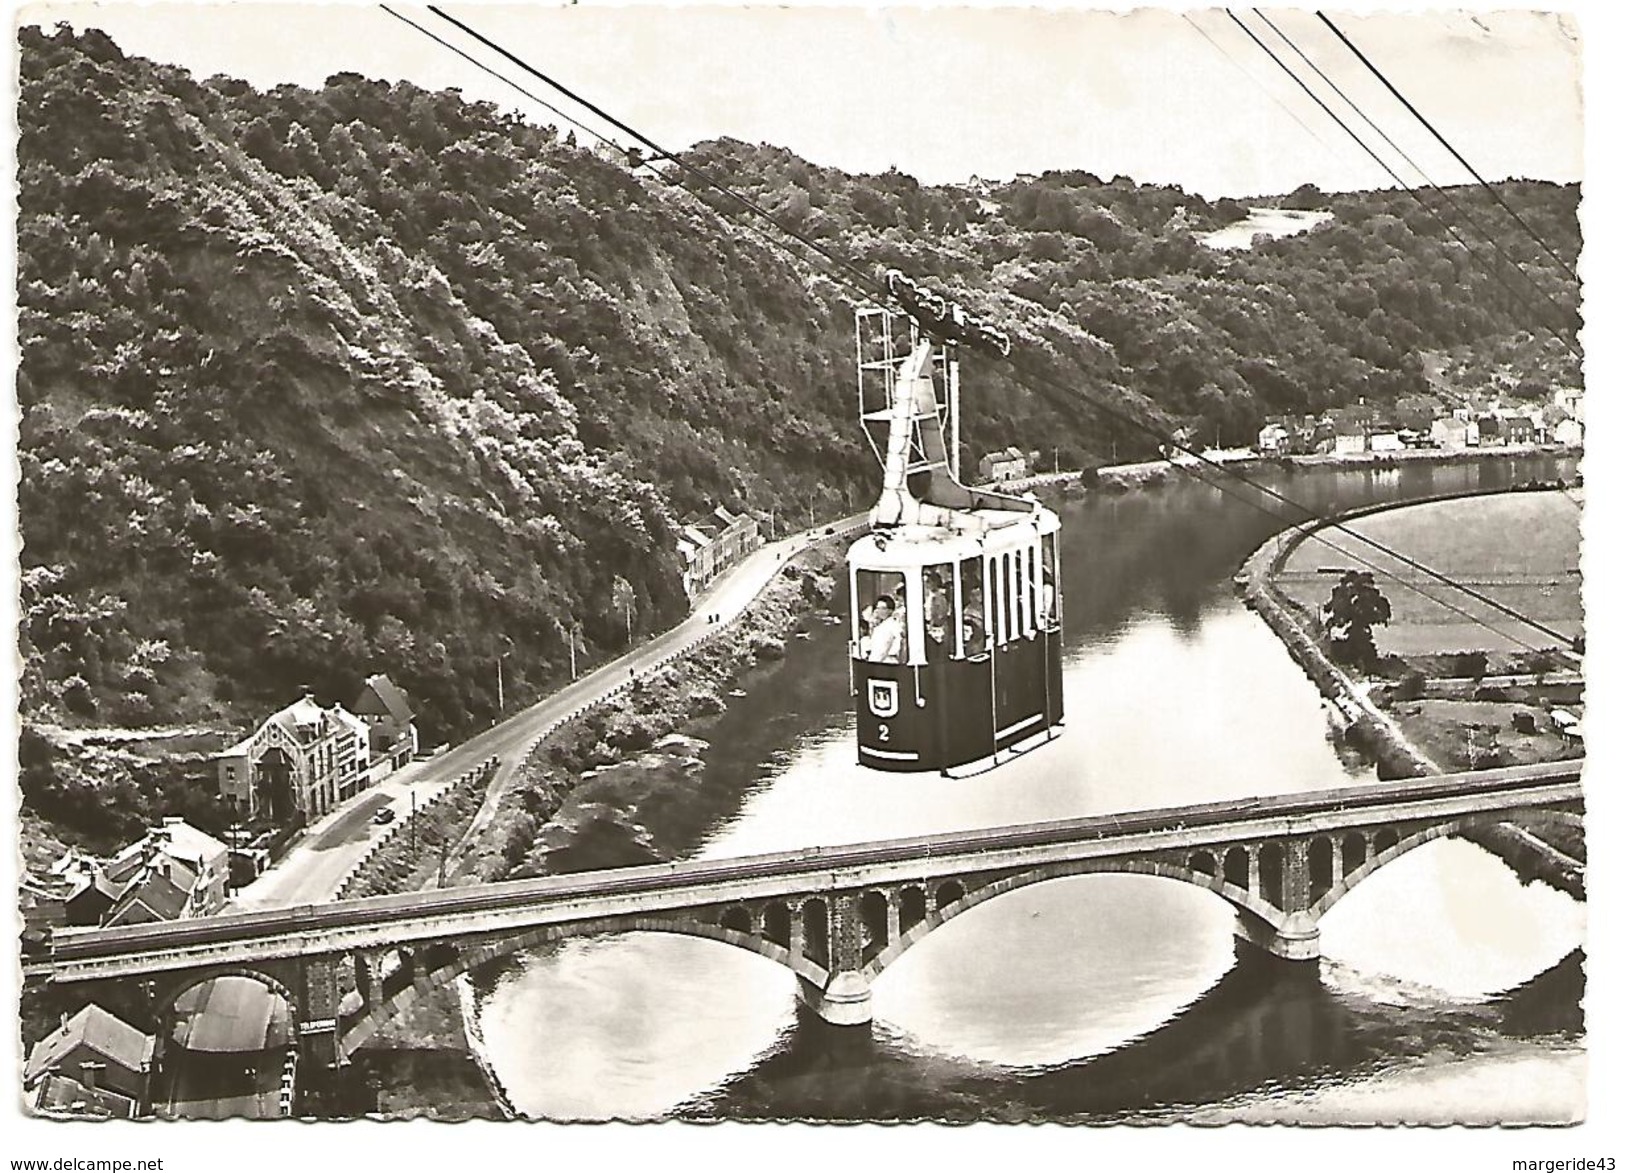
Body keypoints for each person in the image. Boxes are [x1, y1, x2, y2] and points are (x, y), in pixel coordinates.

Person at [867, 594, 905, 664]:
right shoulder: (881, 626)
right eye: (878, 608)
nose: (880, 611)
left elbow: (882, 648)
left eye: (883, 608)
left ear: (890, 610)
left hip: (886, 662)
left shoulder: (891, 626)